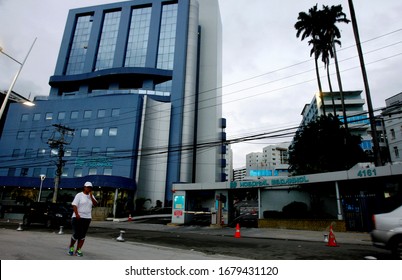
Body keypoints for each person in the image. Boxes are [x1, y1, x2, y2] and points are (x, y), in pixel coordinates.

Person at [68, 181, 97, 256]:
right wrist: (77, 214)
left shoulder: (91, 196)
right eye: (87, 187)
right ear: (84, 187)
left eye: (90, 188)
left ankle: (78, 250)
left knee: (83, 235)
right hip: (78, 217)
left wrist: (91, 197)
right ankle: (71, 247)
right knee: (76, 234)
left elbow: (95, 204)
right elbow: (74, 205)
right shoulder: (79, 195)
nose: (89, 189)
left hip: (87, 218)